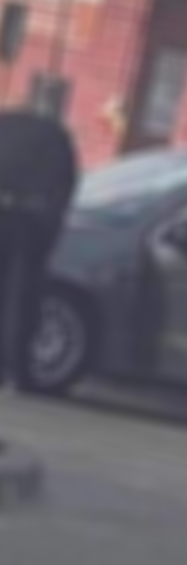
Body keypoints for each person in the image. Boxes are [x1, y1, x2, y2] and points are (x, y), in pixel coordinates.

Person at [0, 90, 78, 390]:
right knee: (21, 299)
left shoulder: (5, 125)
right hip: (29, 223)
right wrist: (50, 230)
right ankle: (17, 373)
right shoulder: (55, 137)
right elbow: (65, 188)